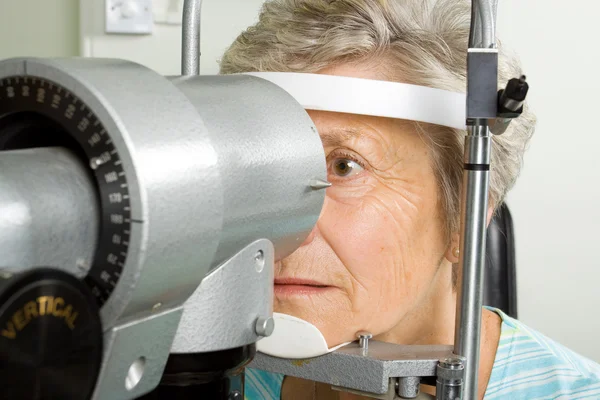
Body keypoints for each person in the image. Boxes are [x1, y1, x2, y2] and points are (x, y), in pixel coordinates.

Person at [219, 0, 600, 398]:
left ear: (463, 217)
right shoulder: (212, 376)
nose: (286, 230)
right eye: (262, 168)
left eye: (345, 167)